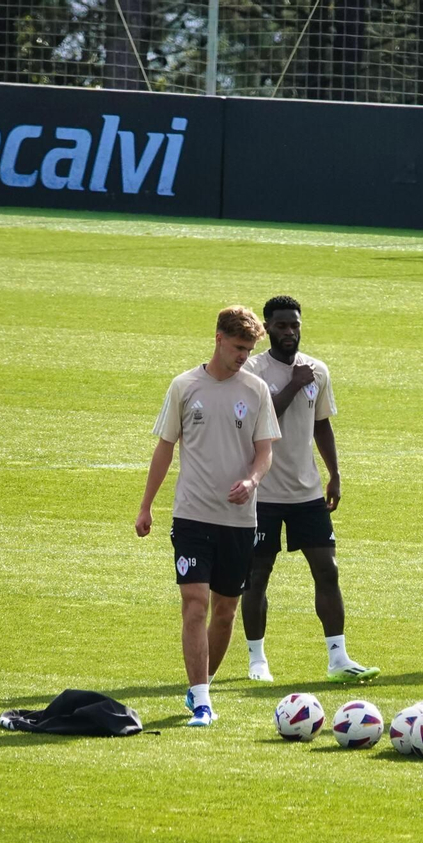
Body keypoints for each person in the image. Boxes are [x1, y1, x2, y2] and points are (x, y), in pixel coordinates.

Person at [136, 306, 279, 727]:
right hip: (192, 516)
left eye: (250, 349)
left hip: (239, 521)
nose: (243, 356)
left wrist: (252, 481)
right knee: (195, 603)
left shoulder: (255, 390)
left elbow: (265, 453)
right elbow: (164, 447)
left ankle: (202, 684)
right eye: (238, 347)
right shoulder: (185, 386)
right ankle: (202, 701)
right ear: (218, 338)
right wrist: (146, 505)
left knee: (225, 611)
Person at [240, 296, 379, 684]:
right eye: (281, 326)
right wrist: (293, 384)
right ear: (267, 328)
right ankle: (256, 660)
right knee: (257, 574)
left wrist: (334, 473)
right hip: (263, 493)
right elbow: (260, 422)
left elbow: (321, 424)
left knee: (327, 570)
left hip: (307, 492)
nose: (289, 332)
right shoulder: (252, 370)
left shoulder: (317, 370)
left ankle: (338, 658)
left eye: (295, 325)